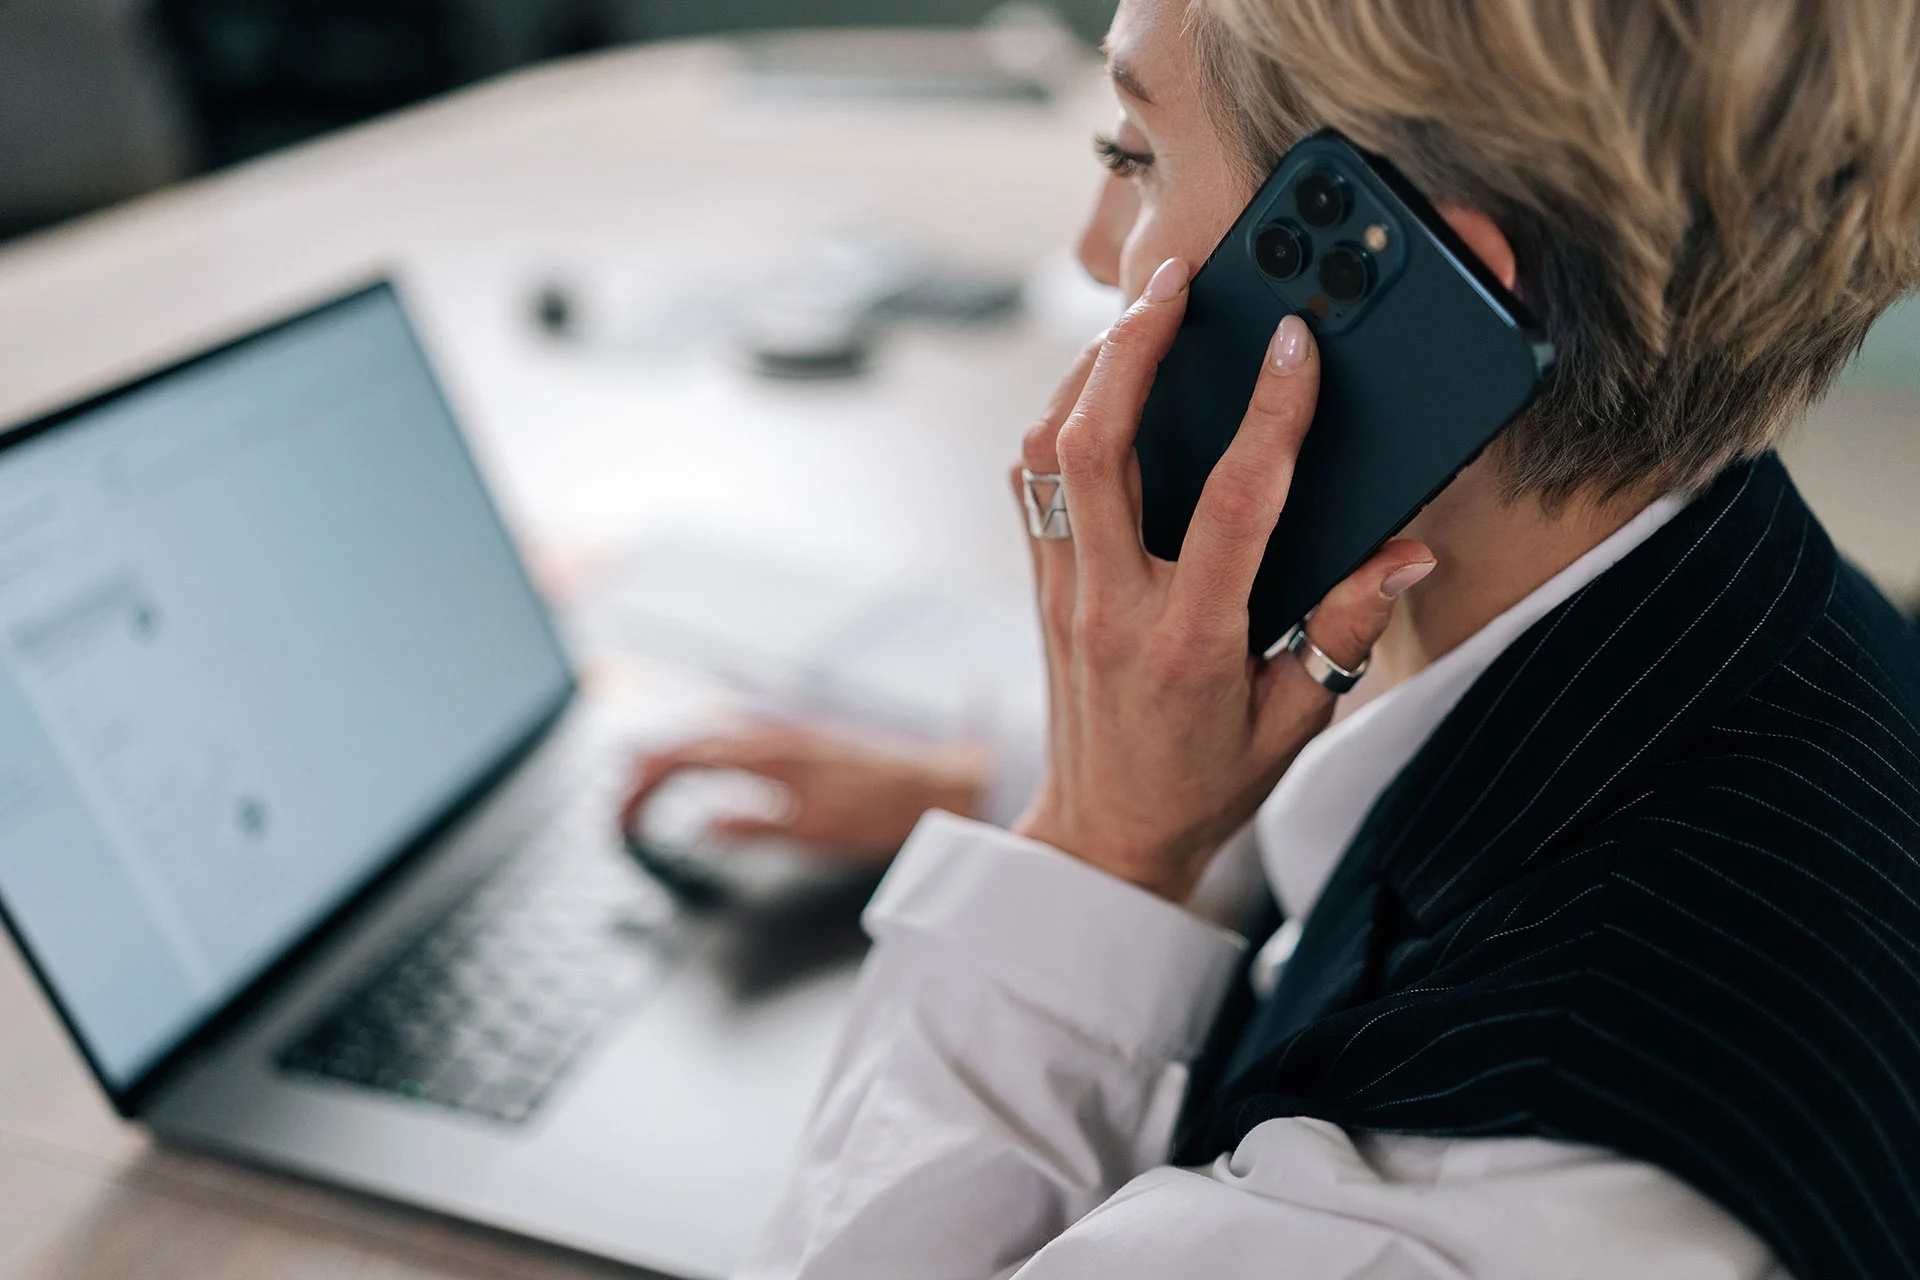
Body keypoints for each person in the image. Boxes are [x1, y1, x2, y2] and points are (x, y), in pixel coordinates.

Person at [626, 1, 1920, 1276]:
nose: (1090, 251)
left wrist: (1092, 846)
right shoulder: (1748, 621)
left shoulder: (1440, 1213)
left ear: (1409, 289)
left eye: (1133, 158)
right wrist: (1018, 785)